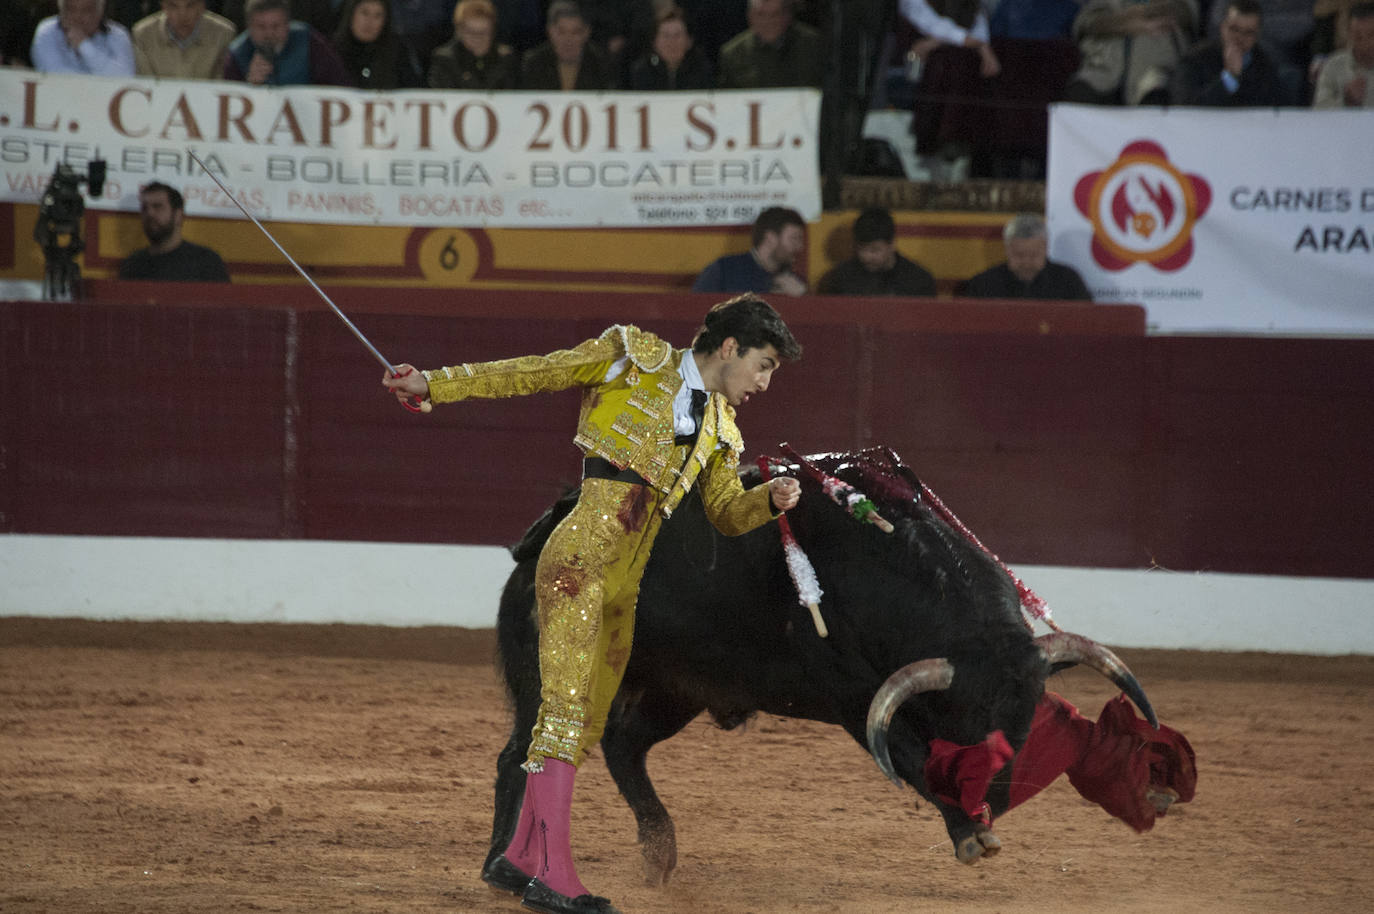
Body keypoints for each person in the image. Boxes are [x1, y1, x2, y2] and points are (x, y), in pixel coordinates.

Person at [381, 294, 803, 914]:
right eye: (763, 365)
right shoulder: (632, 357)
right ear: (731, 348)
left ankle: (521, 856)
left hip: (625, 582)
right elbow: (536, 370)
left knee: (587, 721)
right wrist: (435, 384)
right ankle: (554, 875)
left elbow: (724, 513)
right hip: (579, 561)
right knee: (562, 712)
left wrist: (769, 498)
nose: (764, 383)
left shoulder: (720, 426)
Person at [1063, 0, 1198, 105]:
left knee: (1157, 96)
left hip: (1155, 73)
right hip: (1104, 72)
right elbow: (1085, 24)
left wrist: (1142, 13)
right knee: (1078, 95)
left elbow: (1182, 13)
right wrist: (1125, 23)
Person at [1172, 0, 1286, 105]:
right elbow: (1186, 106)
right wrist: (1229, 78)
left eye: (1248, 32)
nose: (1240, 38)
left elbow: (1273, 108)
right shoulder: (1194, 60)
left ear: (1257, 36)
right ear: (1222, 27)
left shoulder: (1265, 65)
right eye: (1234, 29)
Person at [118, 182, 231, 283]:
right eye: (144, 208)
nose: (150, 214)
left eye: (158, 207)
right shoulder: (133, 264)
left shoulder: (206, 262)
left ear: (178, 215)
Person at [961, 213, 1091, 300]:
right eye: (1019, 255)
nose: (1026, 262)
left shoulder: (1068, 282)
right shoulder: (984, 284)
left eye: (1034, 255)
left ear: (1045, 248)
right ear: (1007, 250)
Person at [222, 0, 353, 86]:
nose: (269, 34)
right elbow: (227, 104)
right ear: (249, 27)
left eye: (276, 26)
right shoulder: (237, 54)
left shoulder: (308, 40)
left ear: (287, 25)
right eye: (261, 27)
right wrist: (249, 86)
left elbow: (340, 83)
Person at [816, 208, 937, 297]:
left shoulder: (918, 280)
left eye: (874, 250)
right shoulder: (841, 278)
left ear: (892, 245)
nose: (866, 256)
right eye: (861, 249)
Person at [692, 206, 808, 297]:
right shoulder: (724, 270)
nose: (800, 247)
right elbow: (696, 310)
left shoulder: (795, 282)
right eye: (794, 239)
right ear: (770, 238)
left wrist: (801, 300)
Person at [716, 0, 823, 89]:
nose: (768, 21)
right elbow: (728, 99)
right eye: (761, 14)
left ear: (787, 16)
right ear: (750, 16)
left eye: (775, 14)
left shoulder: (814, 45)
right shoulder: (733, 53)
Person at [520, 0, 615, 90]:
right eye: (561, 32)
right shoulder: (534, 63)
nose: (568, 40)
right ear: (550, 32)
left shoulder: (601, 63)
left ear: (586, 33)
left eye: (575, 32)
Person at [131, 0, 236, 79]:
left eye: (190, 5)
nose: (182, 14)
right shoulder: (143, 35)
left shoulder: (223, 34)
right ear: (163, 6)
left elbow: (222, 88)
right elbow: (146, 84)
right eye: (173, 6)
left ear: (202, 5)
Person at [428, 0, 518, 90]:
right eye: (470, 32)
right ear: (459, 31)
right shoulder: (444, 60)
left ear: (493, 31)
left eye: (484, 32)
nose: (477, 38)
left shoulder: (506, 59)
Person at [31, 0, 137, 75]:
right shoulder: (47, 31)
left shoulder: (118, 35)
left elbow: (124, 77)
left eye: (86, 10)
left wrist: (83, 44)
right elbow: (55, 76)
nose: (78, 16)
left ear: (100, 11)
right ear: (61, 10)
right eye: (71, 10)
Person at [331, 0, 421, 88]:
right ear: (351, 14)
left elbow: (414, 89)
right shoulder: (332, 51)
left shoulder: (397, 52)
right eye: (365, 13)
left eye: (378, 15)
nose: (369, 22)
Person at [628, 4, 712, 90]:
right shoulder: (642, 70)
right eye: (666, 36)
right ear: (654, 42)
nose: (671, 42)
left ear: (689, 41)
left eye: (677, 35)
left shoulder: (702, 69)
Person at [1313, 2, 1374, 106]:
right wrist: (1346, 101)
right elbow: (1319, 111)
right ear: (1348, 34)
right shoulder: (1333, 66)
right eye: (1358, 36)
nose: (1365, 42)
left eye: (1372, 35)